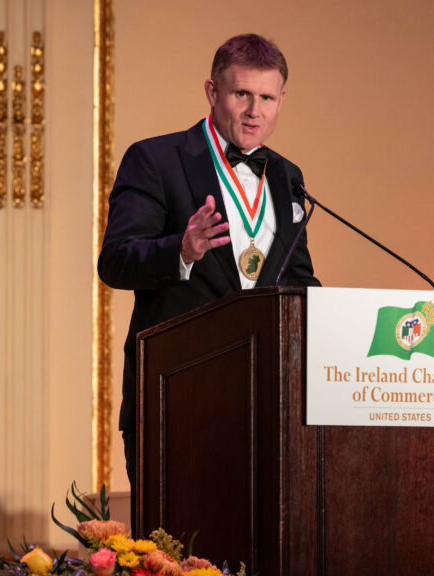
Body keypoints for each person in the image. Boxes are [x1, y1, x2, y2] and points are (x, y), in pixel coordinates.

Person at [97, 33, 319, 524]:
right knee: (176, 543)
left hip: (267, 407)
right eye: (242, 94)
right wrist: (181, 249)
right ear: (212, 91)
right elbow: (114, 260)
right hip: (178, 395)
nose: (253, 111)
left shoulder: (287, 176)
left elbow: (297, 282)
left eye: (266, 97)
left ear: (281, 100)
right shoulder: (156, 159)